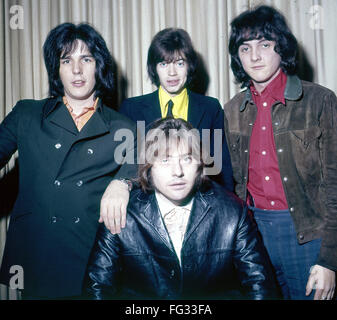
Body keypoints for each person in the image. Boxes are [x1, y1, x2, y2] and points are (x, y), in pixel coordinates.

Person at [0, 23, 137, 299]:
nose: (77, 70)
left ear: (99, 65)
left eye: (86, 59)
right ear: (57, 68)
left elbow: (145, 168)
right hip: (38, 255)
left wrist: (123, 182)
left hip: (90, 260)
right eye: (67, 60)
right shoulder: (27, 114)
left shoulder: (123, 127)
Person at [84, 117, 277, 300]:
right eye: (165, 160)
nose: (178, 172)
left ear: (200, 165)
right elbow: (97, 288)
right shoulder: (122, 212)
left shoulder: (233, 212)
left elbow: (260, 286)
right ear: (148, 168)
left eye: (187, 159)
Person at [224, 5, 336, 300]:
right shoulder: (232, 110)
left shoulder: (319, 100)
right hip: (253, 235)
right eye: (245, 47)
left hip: (308, 235)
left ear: (281, 46)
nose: (255, 56)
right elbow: (234, 186)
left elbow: (336, 187)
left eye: (264, 44)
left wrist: (329, 260)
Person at [119, 28, 233, 191]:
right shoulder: (131, 109)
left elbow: (223, 169)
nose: (172, 73)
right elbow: (126, 169)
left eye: (180, 63)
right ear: (154, 68)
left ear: (189, 66)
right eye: (164, 64)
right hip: (147, 204)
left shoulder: (210, 108)